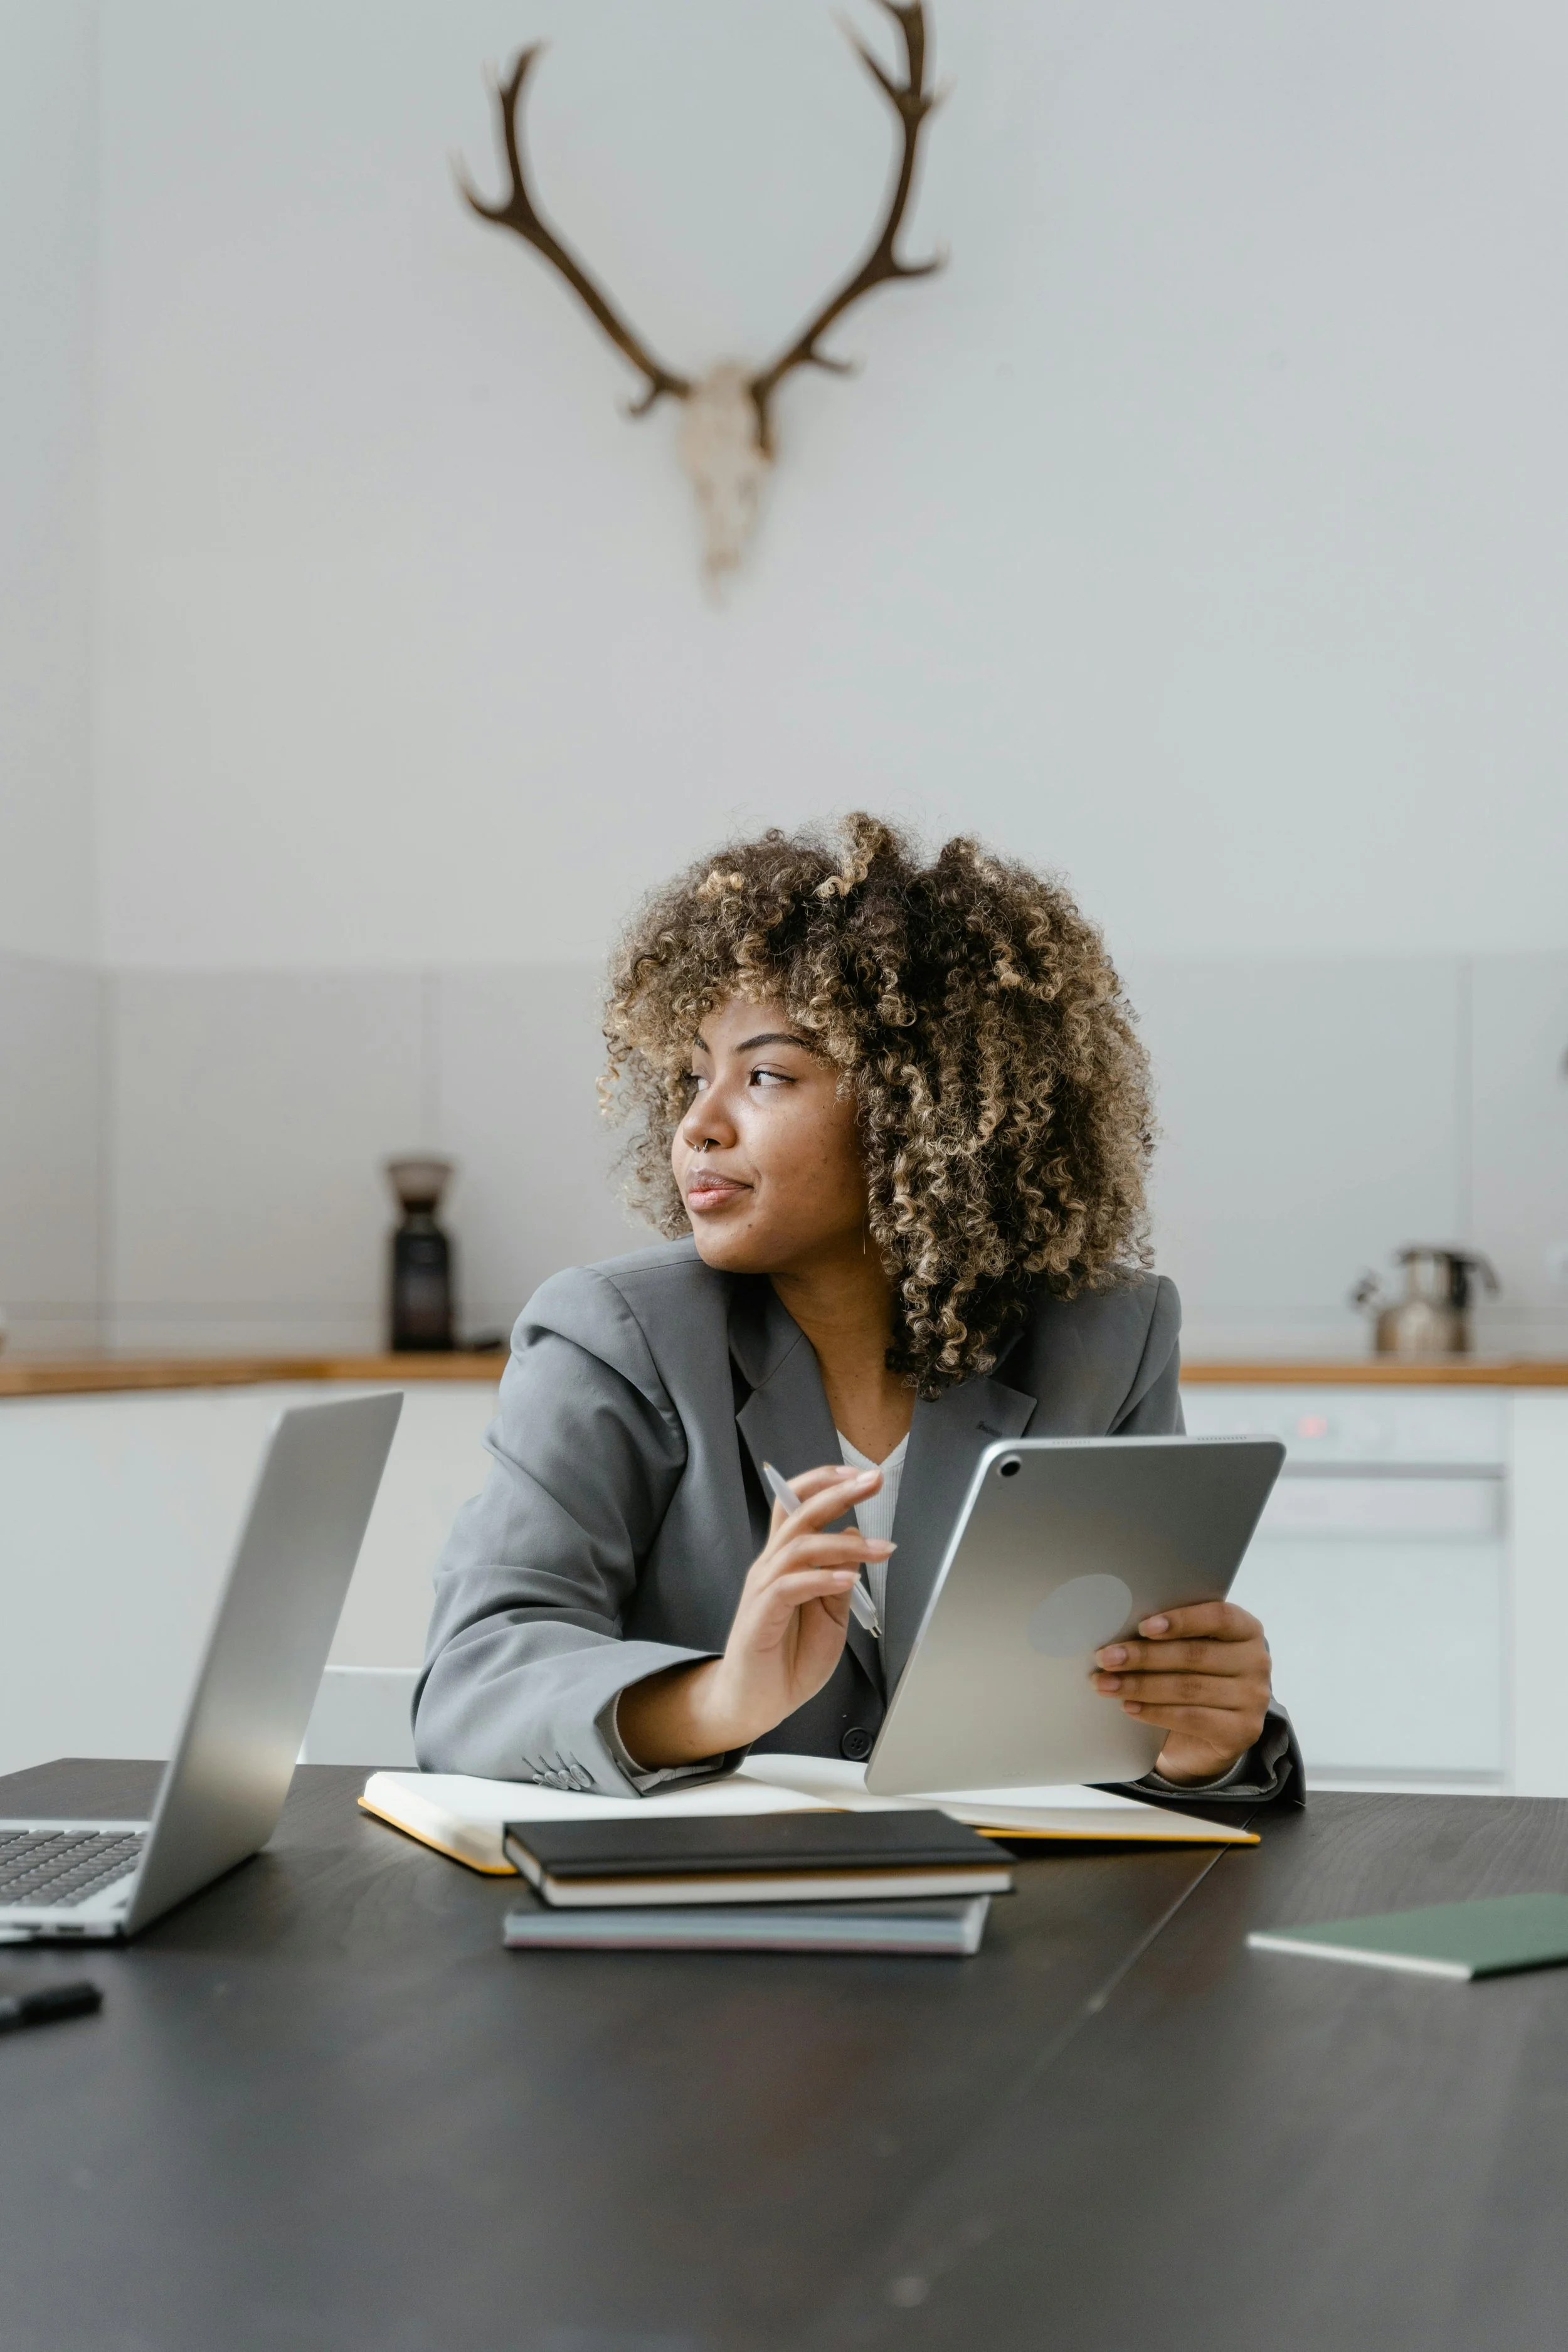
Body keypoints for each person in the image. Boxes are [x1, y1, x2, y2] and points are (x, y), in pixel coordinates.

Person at [415, 815, 1300, 1805]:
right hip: (702, 1926)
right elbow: (474, 1677)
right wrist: (715, 1700)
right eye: (693, 1075)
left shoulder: (1107, 1340)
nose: (698, 1125)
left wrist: (1196, 1742)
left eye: (765, 1075)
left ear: (922, 1108)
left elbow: (1117, 1714)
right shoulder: (612, 1336)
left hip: (1011, 1930)